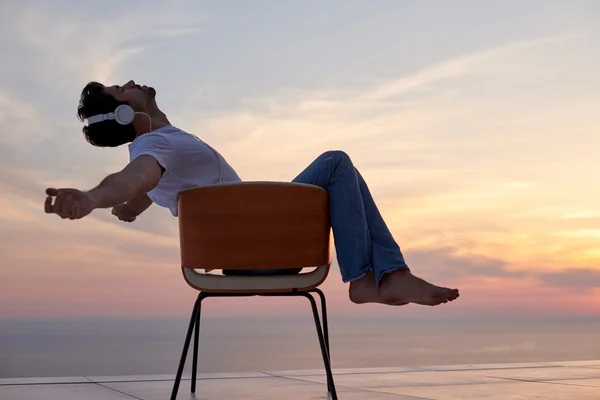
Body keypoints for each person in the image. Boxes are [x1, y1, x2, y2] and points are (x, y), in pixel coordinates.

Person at [44, 80, 460, 307]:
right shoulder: (155, 148)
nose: (131, 82)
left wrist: (129, 208)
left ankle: (383, 277)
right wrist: (91, 197)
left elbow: (142, 189)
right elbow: (135, 177)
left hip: (245, 259)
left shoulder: (161, 149)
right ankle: (374, 278)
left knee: (339, 166)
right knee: (335, 163)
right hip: (267, 252)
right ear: (122, 112)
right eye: (121, 90)